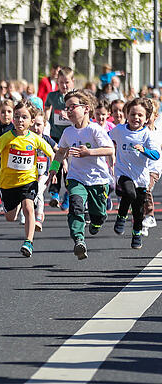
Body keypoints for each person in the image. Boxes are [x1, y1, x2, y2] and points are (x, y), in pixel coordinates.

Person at [47, 89, 114, 260]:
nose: (68, 111)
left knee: (97, 213)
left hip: (98, 179)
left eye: (72, 107)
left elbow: (109, 149)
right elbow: (61, 152)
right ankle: (79, 239)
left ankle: (98, 220)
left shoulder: (95, 130)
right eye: (66, 108)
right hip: (76, 177)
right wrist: (53, 169)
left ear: (86, 108)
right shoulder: (68, 132)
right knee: (76, 205)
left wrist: (88, 152)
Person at [0, 101, 54, 257]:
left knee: (29, 207)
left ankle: (28, 242)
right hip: (8, 184)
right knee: (10, 218)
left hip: (28, 181)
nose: (20, 120)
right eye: (17, 117)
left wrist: (54, 169)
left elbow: (51, 153)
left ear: (31, 121)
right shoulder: (6, 138)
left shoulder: (35, 139)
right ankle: (15, 205)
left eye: (24, 117)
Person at [110, 98, 160, 249]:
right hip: (123, 173)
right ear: (127, 114)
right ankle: (121, 216)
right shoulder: (119, 130)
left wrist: (144, 150)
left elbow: (156, 155)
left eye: (140, 115)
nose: (136, 118)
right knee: (129, 193)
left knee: (138, 209)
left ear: (146, 118)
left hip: (141, 177)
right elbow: (105, 138)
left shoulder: (147, 134)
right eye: (132, 114)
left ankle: (136, 233)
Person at [44, 67, 75, 209]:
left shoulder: (75, 98)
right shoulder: (52, 96)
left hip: (72, 136)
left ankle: (68, 195)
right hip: (56, 135)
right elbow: (47, 108)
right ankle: (54, 192)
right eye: (61, 82)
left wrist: (68, 114)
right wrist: (45, 120)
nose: (64, 86)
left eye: (67, 82)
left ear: (72, 82)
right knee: (57, 163)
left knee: (70, 168)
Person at [30, 109, 59, 232]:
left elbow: (58, 151)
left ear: (44, 125)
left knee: (38, 192)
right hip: (29, 174)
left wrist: (58, 166)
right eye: (33, 125)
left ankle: (39, 216)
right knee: (30, 195)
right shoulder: (27, 139)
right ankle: (28, 214)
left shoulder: (47, 139)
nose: (36, 128)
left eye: (39, 125)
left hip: (44, 174)